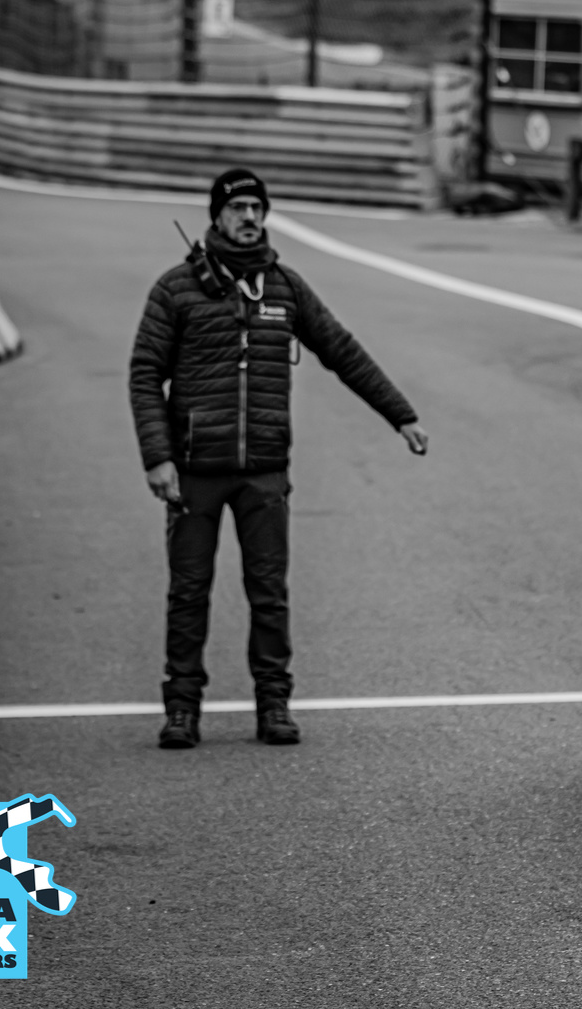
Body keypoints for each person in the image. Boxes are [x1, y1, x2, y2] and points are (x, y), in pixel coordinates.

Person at [129, 169, 429, 749]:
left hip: (265, 471)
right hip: (194, 471)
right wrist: (157, 457)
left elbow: (342, 351)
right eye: (237, 207)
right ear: (216, 216)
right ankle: (182, 708)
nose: (249, 217)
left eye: (256, 207)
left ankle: (274, 704)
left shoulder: (284, 288)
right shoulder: (176, 289)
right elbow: (145, 375)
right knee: (188, 593)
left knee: (269, 594)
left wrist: (401, 415)